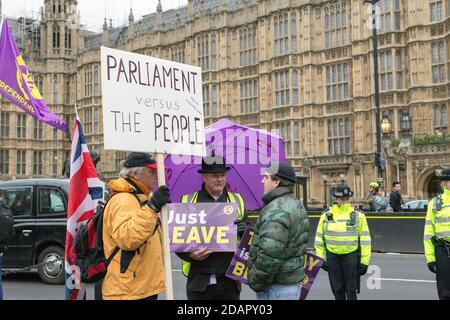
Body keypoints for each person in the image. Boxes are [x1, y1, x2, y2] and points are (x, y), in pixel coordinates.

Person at [101, 152, 171, 300]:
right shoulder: (123, 200)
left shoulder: (140, 198)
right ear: (136, 174)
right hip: (128, 291)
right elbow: (128, 239)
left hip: (140, 287)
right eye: (151, 171)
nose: (157, 176)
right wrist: (152, 207)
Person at [176, 156, 245, 300]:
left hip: (229, 282)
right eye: (215, 176)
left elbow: (251, 238)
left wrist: (244, 231)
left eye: (222, 175)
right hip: (200, 281)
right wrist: (190, 255)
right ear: (204, 178)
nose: (220, 179)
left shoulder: (237, 200)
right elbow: (178, 240)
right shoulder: (188, 201)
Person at [247, 162, 310, 300]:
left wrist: (256, 282)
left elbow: (270, 255)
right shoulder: (295, 204)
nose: (262, 180)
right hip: (290, 284)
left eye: (266, 177)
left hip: (275, 288)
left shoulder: (277, 210)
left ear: (276, 182)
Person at [314, 185, 371, 300]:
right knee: (337, 290)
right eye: (341, 199)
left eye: (346, 199)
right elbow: (319, 239)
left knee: (351, 291)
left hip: (350, 256)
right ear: (335, 199)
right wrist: (320, 259)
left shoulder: (358, 215)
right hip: (332, 256)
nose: (343, 202)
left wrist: (364, 262)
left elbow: (365, 240)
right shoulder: (326, 215)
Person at [424, 168, 450, 300]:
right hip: (442, 251)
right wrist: (430, 258)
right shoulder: (434, 203)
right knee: (445, 292)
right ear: (444, 183)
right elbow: (429, 232)